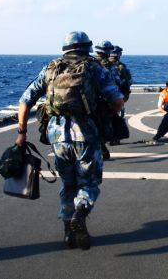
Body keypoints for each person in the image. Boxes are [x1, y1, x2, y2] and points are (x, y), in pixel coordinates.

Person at [15, 31, 124, 250]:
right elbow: (118, 100)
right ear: (87, 47)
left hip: (57, 138)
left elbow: (25, 101)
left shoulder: (51, 68)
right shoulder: (94, 68)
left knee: (68, 184)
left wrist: (22, 132)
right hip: (86, 134)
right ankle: (81, 211)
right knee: (89, 183)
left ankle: (68, 233)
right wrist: (104, 116)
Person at [94, 39, 121, 159]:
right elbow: (116, 82)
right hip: (104, 101)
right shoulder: (109, 66)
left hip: (89, 100)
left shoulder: (90, 62)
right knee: (105, 126)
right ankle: (102, 146)